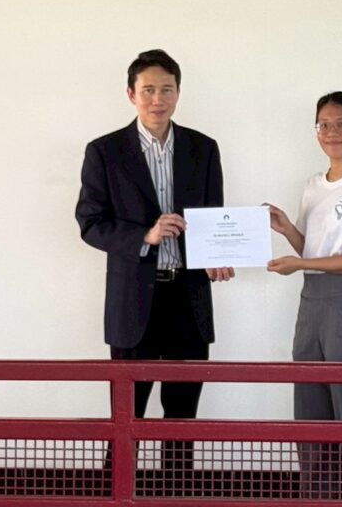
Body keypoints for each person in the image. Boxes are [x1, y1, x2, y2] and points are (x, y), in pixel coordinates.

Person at [76, 49, 233, 483]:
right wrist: (144, 236)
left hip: (188, 297)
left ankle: (177, 492)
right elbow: (89, 223)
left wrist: (219, 256)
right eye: (148, 90)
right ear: (131, 94)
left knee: (182, 417)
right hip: (133, 300)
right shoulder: (105, 151)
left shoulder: (204, 148)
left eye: (166, 89)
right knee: (126, 416)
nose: (157, 99)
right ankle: (116, 493)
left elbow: (214, 218)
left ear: (179, 93)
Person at [267, 91, 342, 500]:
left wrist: (301, 263)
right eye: (324, 125)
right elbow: (313, 249)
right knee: (310, 413)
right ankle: (317, 499)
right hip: (311, 304)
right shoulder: (312, 186)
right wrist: (287, 228)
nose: (332, 132)